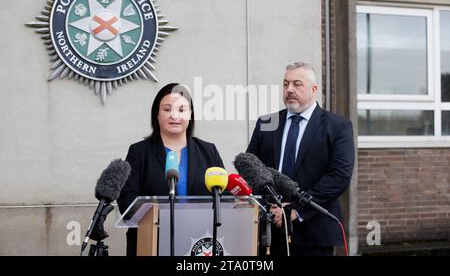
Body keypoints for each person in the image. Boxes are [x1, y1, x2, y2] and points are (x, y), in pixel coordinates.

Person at [247, 62, 354, 256]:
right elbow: (251, 169)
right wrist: (269, 207)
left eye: (297, 84)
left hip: (314, 233)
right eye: (286, 84)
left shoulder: (337, 126)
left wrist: (296, 210)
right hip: (269, 232)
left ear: (313, 90)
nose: (289, 90)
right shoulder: (267, 124)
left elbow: (339, 176)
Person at [117, 83, 224, 256]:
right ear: (157, 115)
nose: (175, 115)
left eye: (182, 110)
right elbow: (126, 201)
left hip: (199, 244)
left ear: (190, 115)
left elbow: (223, 198)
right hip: (151, 243)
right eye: (167, 110)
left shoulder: (208, 151)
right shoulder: (139, 152)